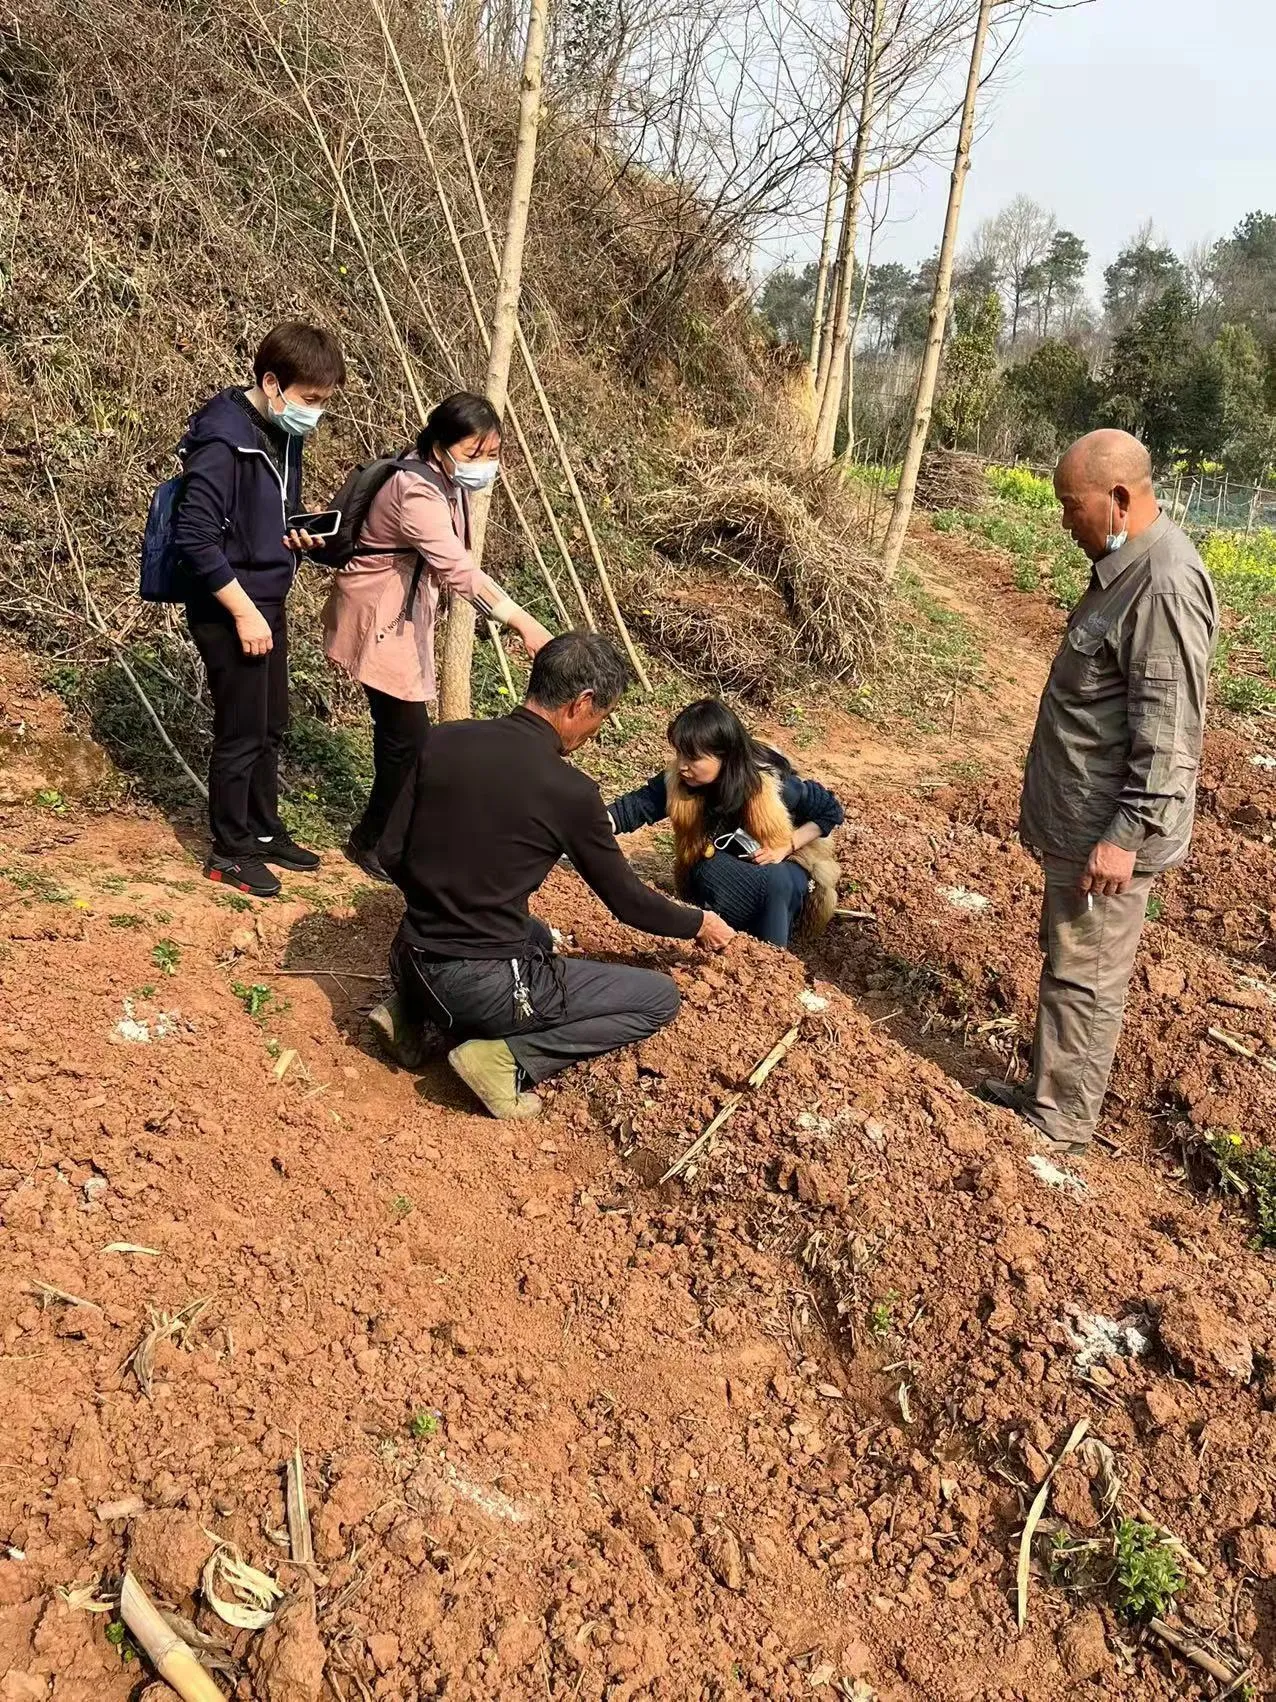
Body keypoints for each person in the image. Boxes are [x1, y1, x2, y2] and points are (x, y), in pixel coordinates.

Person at [372, 632, 735, 1119]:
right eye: (599, 719)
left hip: (409, 956)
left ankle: (409, 1013)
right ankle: (505, 1060)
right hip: (478, 987)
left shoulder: (444, 738)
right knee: (659, 998)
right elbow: (627, 901)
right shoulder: (569, 790)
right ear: (580, 704)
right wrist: (698, 923)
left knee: (538, 933)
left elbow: (391, 852)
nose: (593, 734)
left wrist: (447, 907)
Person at [982, 428, 1219, 1157]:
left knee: (1085, 977)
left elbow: (1170, 734)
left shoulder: (1164, 584)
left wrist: (1126, 836)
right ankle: (1047, 1095)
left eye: (1070, 505)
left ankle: (1059, 1131)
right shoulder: (1125, 569)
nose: (1063, 521)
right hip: (1083, 820)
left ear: (1118, 499)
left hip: (1108, 834)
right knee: (1068, 962)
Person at [323, 392, 554, 883]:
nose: (485, 466)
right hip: (382, 617)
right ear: (441, 444)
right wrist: (522, 621)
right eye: (474, 454)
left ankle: (386, 838)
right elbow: (457, 568)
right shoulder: (416, 490)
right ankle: (375, 843)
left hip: (401, 615)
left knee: (404, 736)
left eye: (492, 455)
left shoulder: (441, 477)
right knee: (405, 739)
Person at [175, 321, 347, 898]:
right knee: (241, 730)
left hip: (267, 598)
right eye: (310, 400)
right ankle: (230, 850)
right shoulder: (223, 439)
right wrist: (244, 612)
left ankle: (264, 831)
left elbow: (270, 511)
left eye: (323, 402)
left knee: (271, 724)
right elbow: (195, 538)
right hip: (229, 606)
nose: (315, 414)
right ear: (272, 383)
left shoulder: (280, 434)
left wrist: (295, 533)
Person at [607, 699, 844, 948]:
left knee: (777, 881)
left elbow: (829, 811)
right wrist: (585, 824)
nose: (683, 766)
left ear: (725, 755)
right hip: (720, 872)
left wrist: (786, 846)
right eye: (680, 754)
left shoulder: (767, 782)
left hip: (781, 876)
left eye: (693, 758)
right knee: (710, 867)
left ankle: (773, 959)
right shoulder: (678, 780)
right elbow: (633, 808)